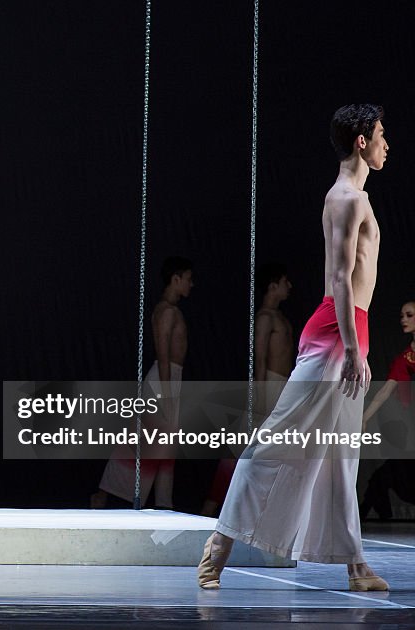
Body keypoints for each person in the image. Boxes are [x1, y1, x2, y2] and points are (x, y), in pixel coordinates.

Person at [198, 104, 389, 592]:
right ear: (361, 142)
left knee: (342, 456)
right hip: (335, 337)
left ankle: (356, 564)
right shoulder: (346, 198)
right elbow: (341, 279)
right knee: (276, 438)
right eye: (381, 135)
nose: (388, 145)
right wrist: (350, 348)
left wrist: (357, 343)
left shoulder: (356, 198)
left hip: (352, 333)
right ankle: (218, 547)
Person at [92, 256, 193, 510]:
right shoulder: (166, 311)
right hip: (163, 380)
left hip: (171, 379)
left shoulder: (171, 310)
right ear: (176, 279)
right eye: (189, 279)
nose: (191, 285)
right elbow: (163, 356)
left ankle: (163, 503)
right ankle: (102, 496)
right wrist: (167, 396)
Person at [201, 264, 294, 517]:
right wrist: (260, 394)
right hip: (269, 386)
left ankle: (261, 509)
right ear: (273, 285)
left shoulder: (280, 317)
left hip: (284, 387)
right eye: (285, 281)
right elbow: (260, 358)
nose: (290, 286)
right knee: (241, 449)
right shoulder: (265, 317)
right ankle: (211, 507)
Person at [358, 301, 415, 519]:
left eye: (409, 315)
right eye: (402, 315)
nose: (403, 319)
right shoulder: (406, 357)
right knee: (391, 472)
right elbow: (385, 391)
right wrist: (364, 418)